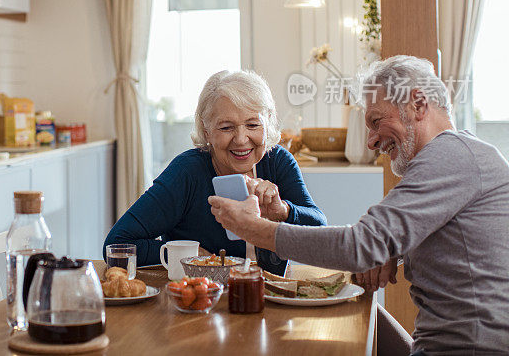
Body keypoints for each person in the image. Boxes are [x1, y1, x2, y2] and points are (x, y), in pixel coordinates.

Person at [209, 55, 509, 354]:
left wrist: (251, 228)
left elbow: (359, 244)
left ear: (418, 104)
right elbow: (385, 244)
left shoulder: (451, 156)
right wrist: (392, 249)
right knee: (353, 321)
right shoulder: (459, 156)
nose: (370, 141)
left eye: (376, 121)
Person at [104, 70, 326, 276]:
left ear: (267, 123)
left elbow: (321, 234)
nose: (241, 139)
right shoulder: (186, 172)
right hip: (201, 302)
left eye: (252, 125)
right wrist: (190, 256)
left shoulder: (277, 161)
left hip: (269, 298)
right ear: (206, 129)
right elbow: (117, 244)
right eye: (226, 127)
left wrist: (283, 211)